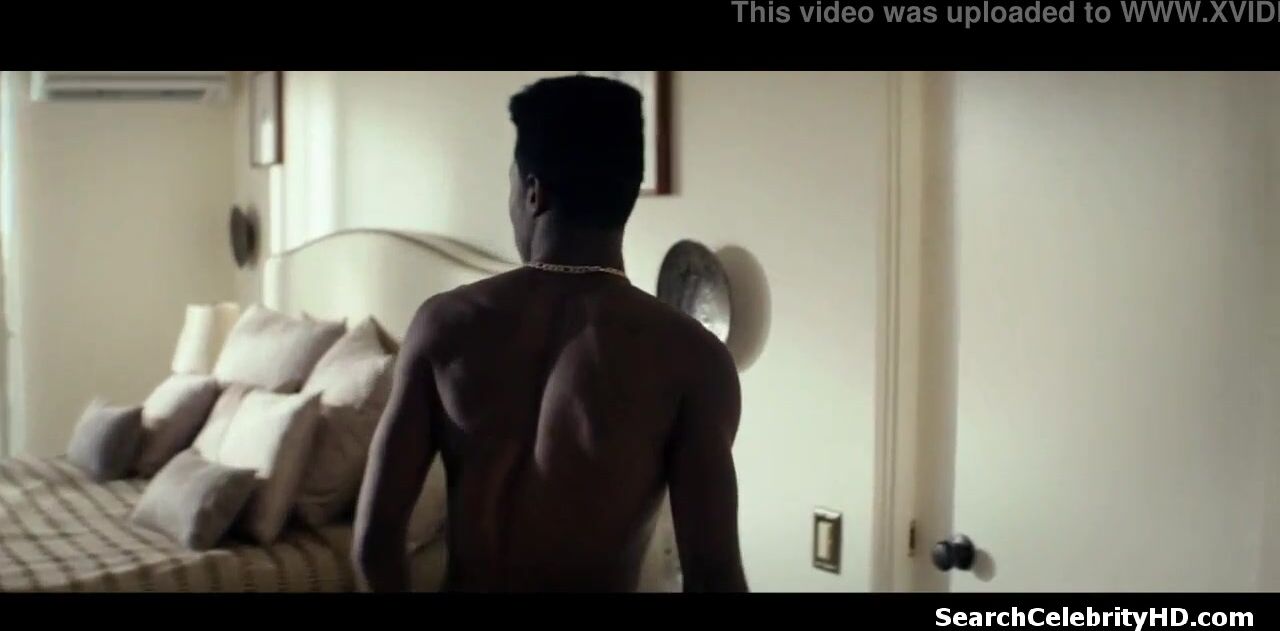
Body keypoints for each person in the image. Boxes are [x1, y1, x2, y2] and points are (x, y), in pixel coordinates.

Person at [352, 75, 747, 593]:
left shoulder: (444, 325)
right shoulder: (692, 358)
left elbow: (374, 545)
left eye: (512, 186)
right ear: (627, 193)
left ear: (533, 192)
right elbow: (714, 576)